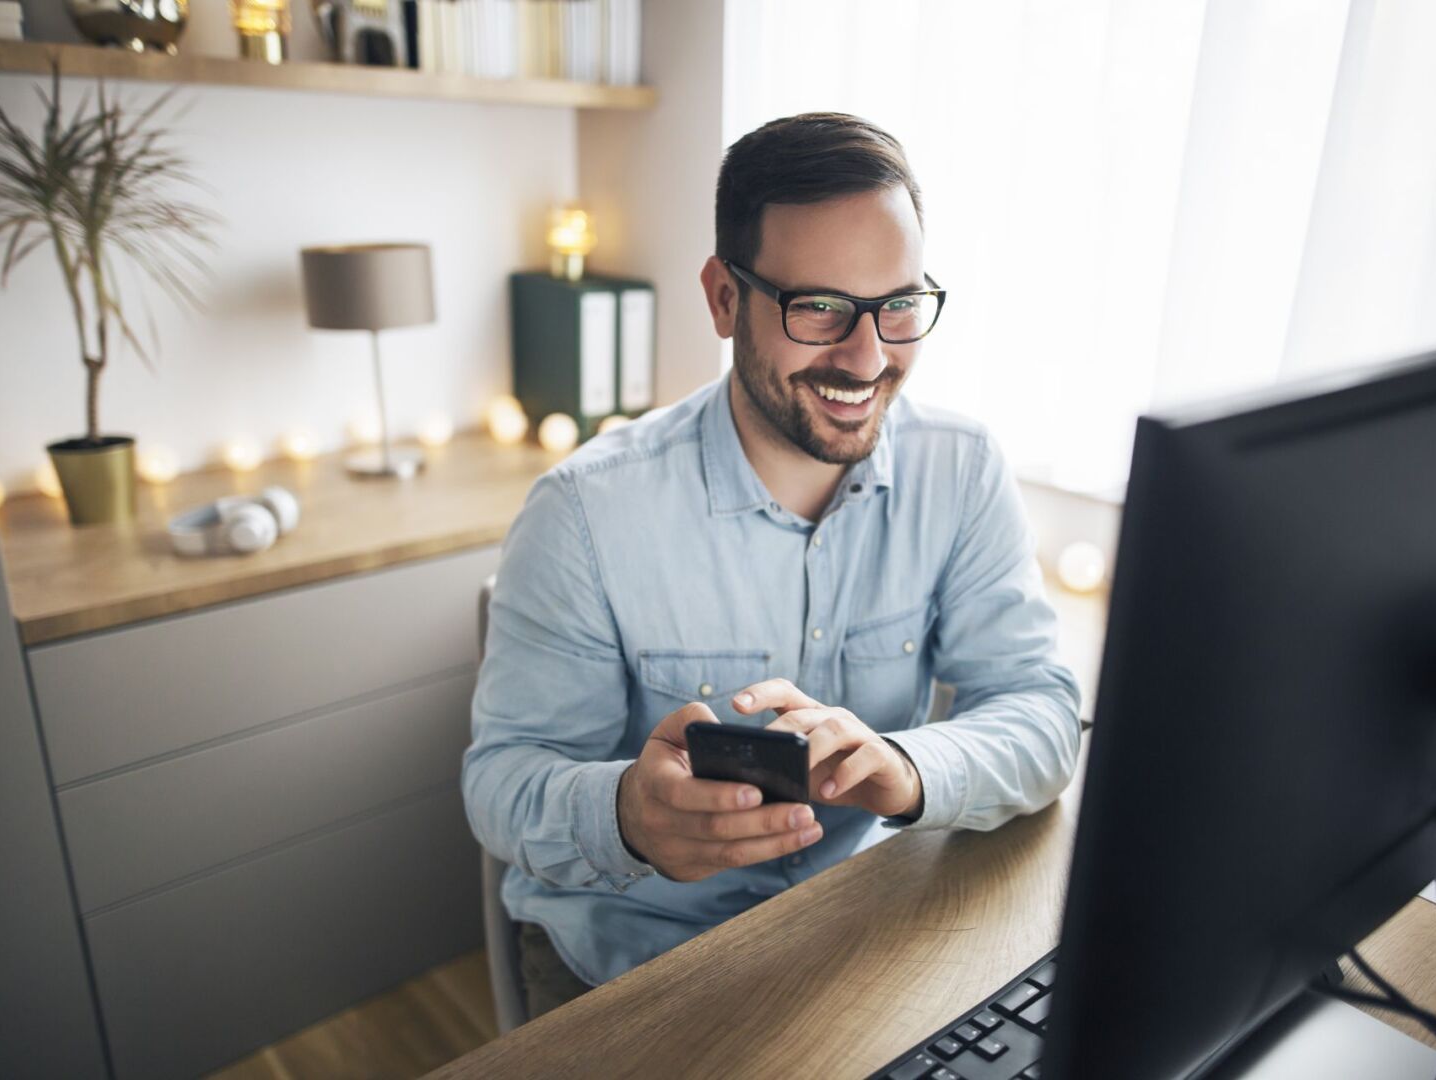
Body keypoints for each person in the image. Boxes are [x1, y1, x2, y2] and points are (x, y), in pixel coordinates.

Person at [462, 112, 1081, 1019]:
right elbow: (503, 782)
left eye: (898, 305)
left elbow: (1042, 709)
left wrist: (906, 768)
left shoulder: (963, 468)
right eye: (820, 307)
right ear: (723, 299)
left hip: (850, 936)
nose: (868, 357)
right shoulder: (584, 514)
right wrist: (631, 813)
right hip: (632, 964)